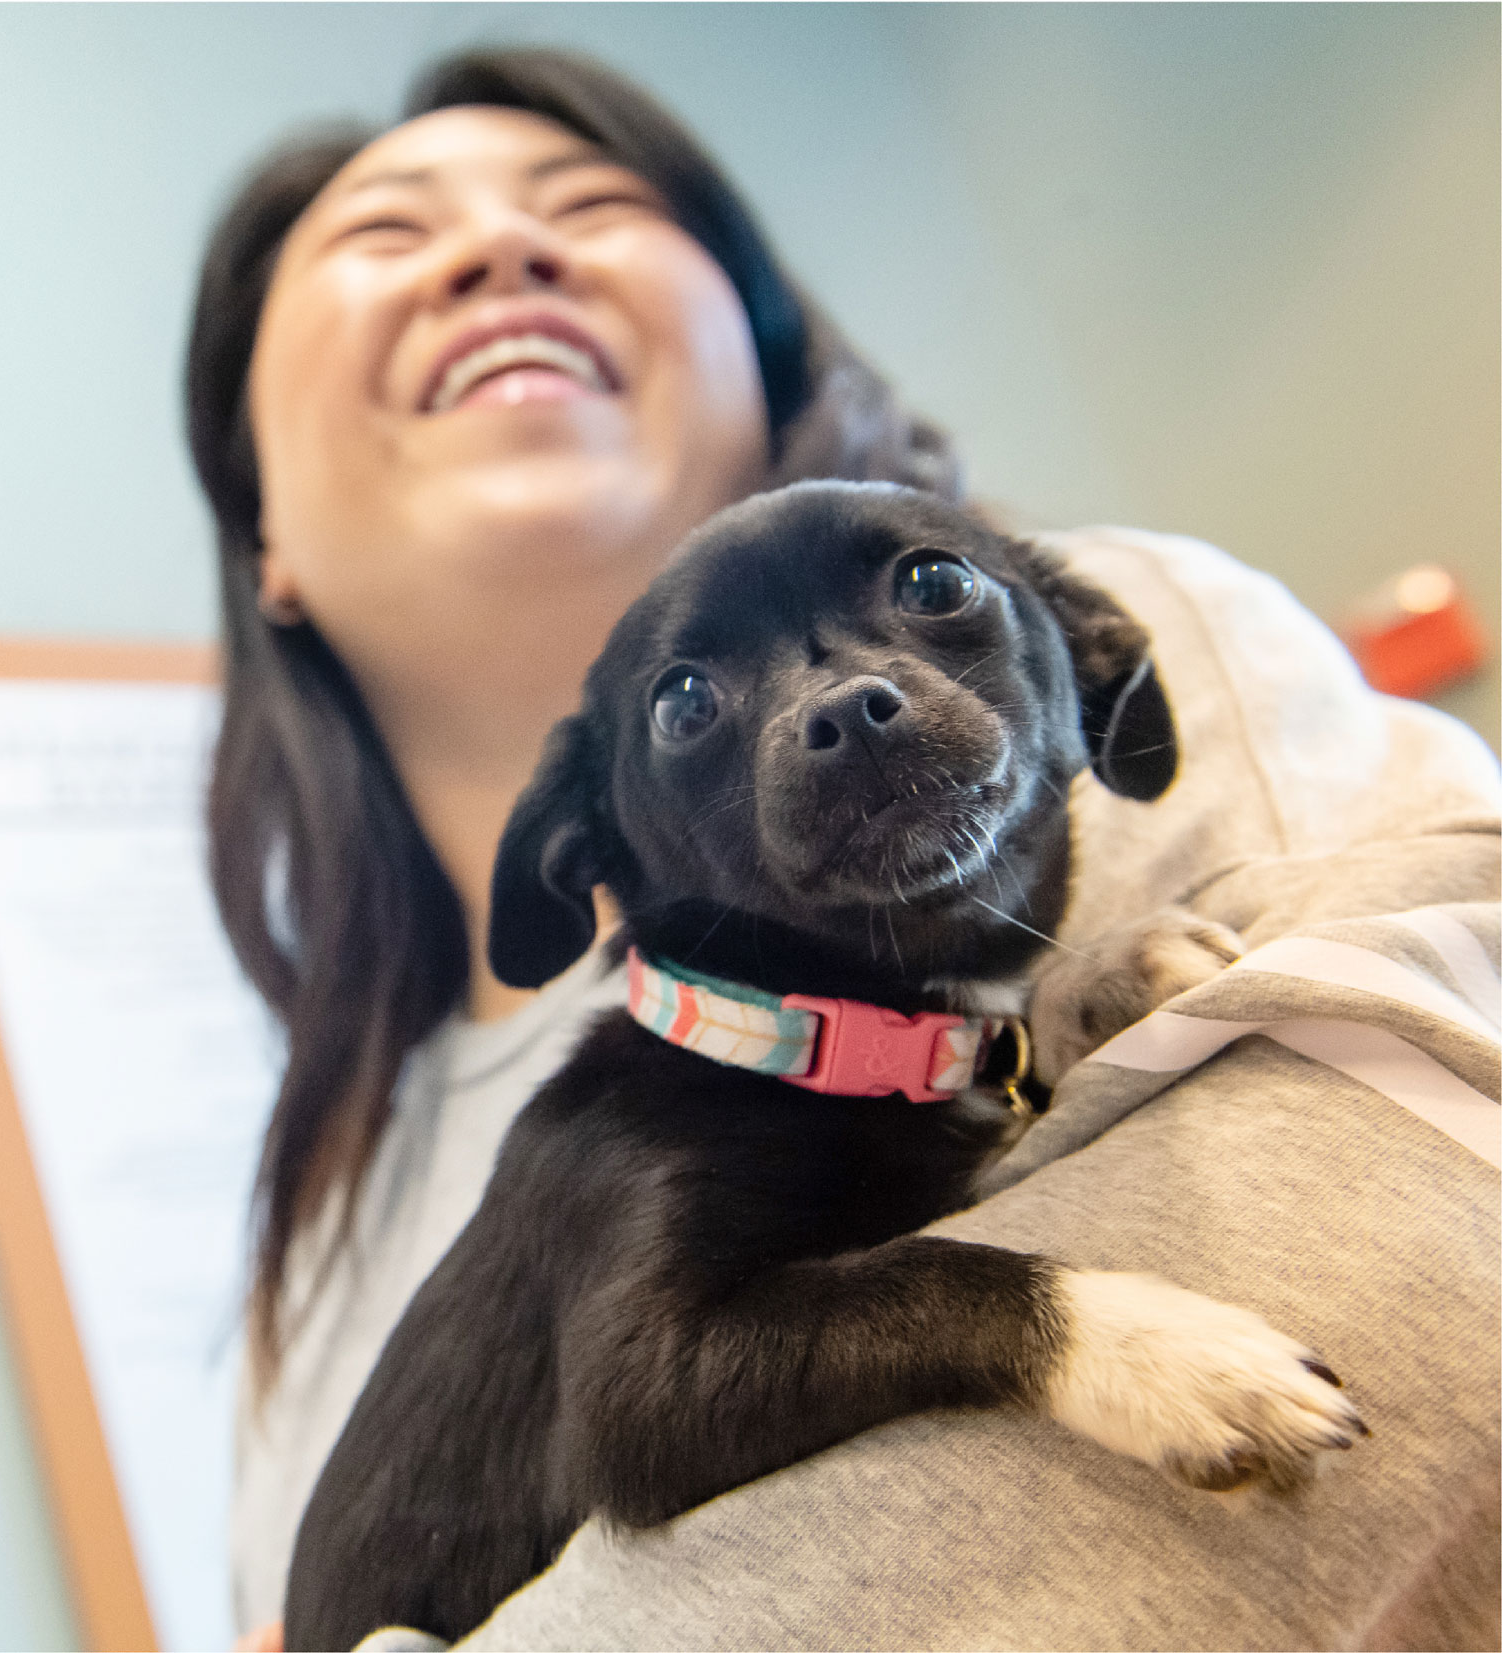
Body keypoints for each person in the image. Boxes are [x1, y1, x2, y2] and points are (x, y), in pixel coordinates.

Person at [191, 48, 1501, 1650]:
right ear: (263, 540)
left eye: (589, 205)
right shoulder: (348, 1180)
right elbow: (665, 1390)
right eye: (387, 236)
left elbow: (1443, 1249)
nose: (495, 253)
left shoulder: (1179, 651)